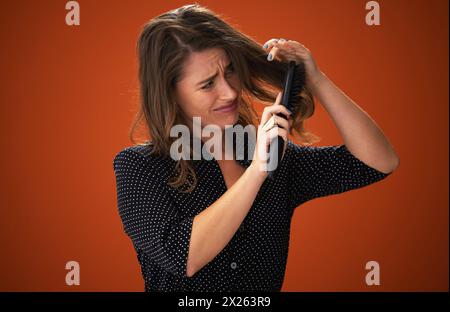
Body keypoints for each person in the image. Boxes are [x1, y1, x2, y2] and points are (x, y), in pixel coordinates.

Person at [113, 4, 399, 292]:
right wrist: (258, 171)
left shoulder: (272, 155)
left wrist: (315, 78)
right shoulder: (138, 167)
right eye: (208, 84)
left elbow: (377, 161)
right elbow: (183, 256)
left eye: (230, 71)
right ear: (170, 93)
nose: (230, 91)